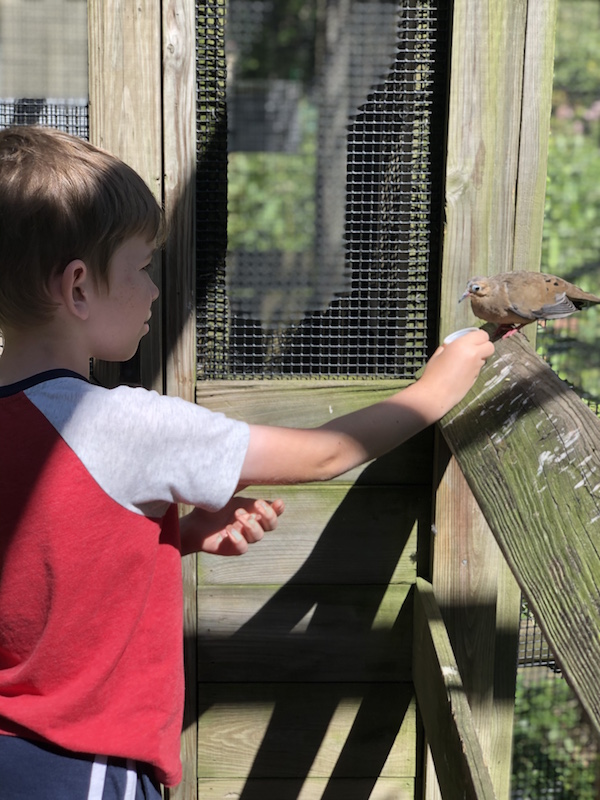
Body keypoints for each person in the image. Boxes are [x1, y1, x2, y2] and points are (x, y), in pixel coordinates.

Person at [0, 125, 494, 799]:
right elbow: (324, 455)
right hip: (83, 761)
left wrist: (170, 534)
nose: (152, 291)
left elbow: (36, 567)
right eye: (141, 266)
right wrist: (436, 388)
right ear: (79, 288)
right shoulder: (118, 423)